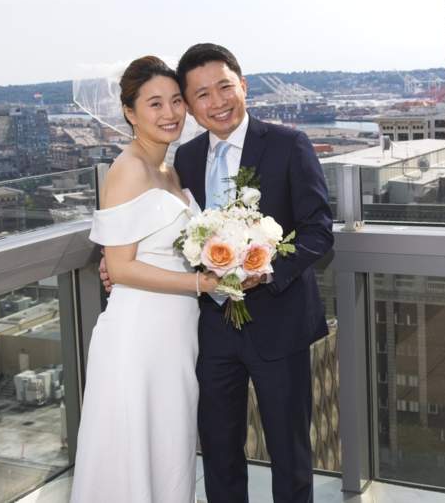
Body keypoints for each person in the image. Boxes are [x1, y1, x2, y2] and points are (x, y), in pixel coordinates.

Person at [103, 43, 334, 503]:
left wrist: (265, 271)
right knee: (220, 455)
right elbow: (160, 229)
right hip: (209, 332)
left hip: (279, 326)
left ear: (243, 86)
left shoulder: (289, 145)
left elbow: (319, 231)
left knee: (290, 456)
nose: (217, 102)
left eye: (224, 87)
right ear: (191, 106)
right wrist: (115, 264)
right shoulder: (181, 160)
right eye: (201, 95)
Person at [71, 56, 221, 503]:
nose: (170, 113)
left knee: (169, 451)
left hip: (174, 337)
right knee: (131, 453)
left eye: (176, 101)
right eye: (155, 104)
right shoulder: (127, 170)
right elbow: (118, 268)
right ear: (130, 113)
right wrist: (202, 285)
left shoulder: (171, 171)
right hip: (136, 339)